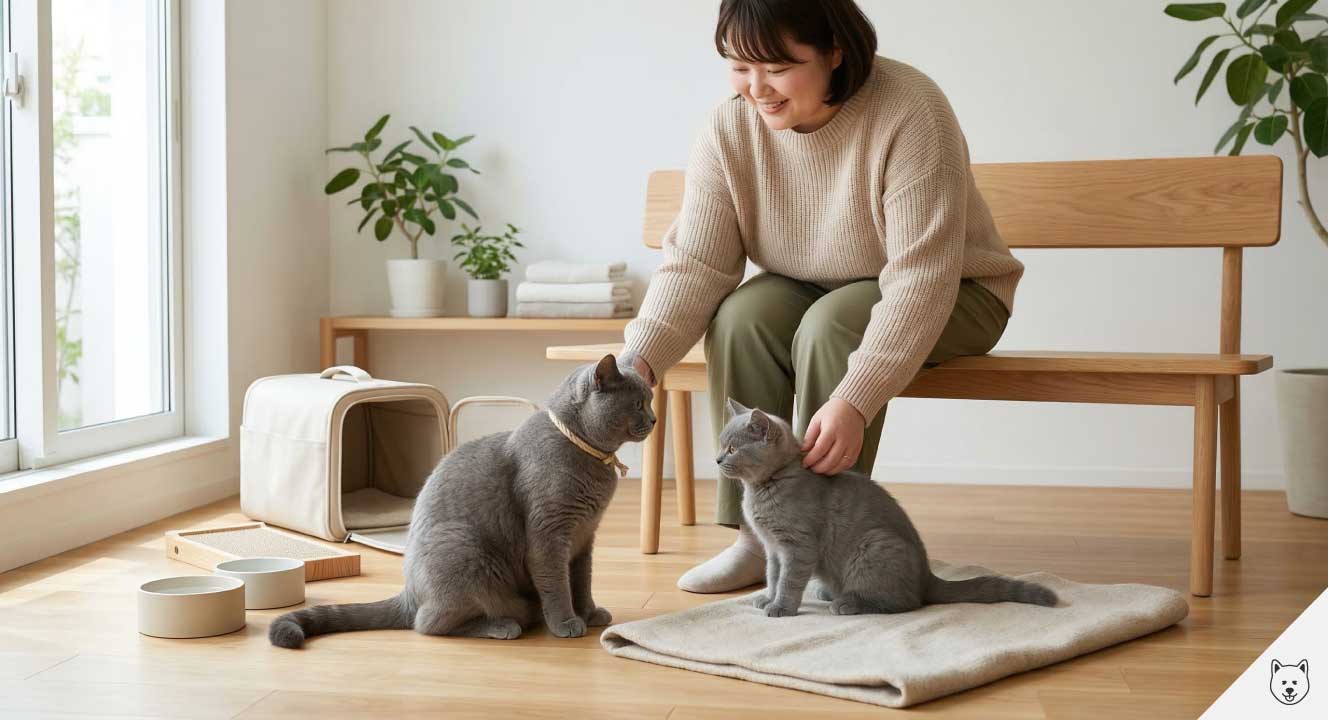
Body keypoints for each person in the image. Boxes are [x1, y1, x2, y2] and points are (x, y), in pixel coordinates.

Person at [621, 0, 1024, 593]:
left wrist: (855, 399)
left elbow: (920, 276)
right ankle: (757, 540)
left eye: (778, 68)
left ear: (835, 52)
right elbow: (698, 263)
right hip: (815, 291)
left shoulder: (911, 109)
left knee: (835, 322)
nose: (756, 89)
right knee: (742, 315)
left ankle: (828, 542)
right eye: (738, 67)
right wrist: (640, 358)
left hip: (956, 292)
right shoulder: (728, 127)